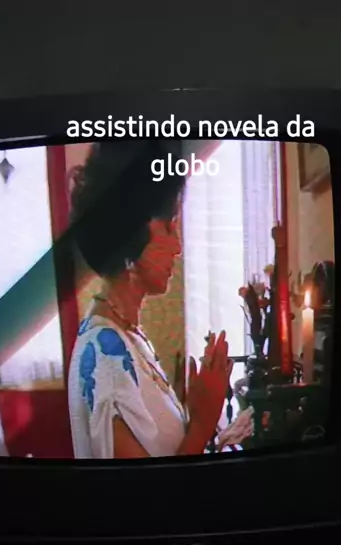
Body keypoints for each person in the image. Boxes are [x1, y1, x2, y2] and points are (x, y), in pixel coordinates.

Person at [68, 141, 233, 460]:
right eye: (170, 226)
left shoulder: (126, 334)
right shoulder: (106, 361)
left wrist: (192, 413)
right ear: (131, 237)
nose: (178, 247)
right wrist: (202, 423)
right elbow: (150, 491)